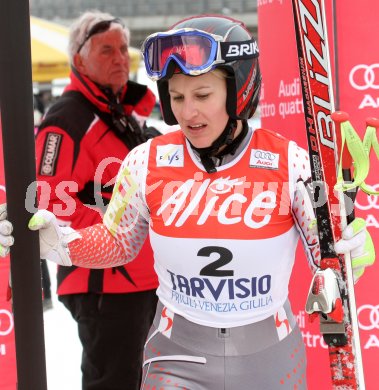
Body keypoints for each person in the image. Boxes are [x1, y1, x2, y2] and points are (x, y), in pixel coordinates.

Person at [0, 14, 375, 389]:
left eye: (202, 95)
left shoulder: (288, 163)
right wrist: (63, 244)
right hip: (176, 355)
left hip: (271, 360)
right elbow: (118, 242)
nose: (187, 112)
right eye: (177, 97)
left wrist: (348, 249)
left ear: (239, 89)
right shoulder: (145, 161)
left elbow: (325, 259)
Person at [35, 10, 159, 390]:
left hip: (144, 280)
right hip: (104, 283)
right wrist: (116, 239)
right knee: (115, 381)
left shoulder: (122, 115)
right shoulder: (67, 119)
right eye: (106, 50)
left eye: (123, 49)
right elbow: (50, 209)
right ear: (79, 59)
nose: (120, 58)